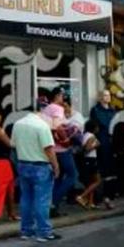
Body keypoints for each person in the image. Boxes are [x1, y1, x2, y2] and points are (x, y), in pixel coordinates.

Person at [11, 107, 61, 242]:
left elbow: (13, 144)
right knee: (42, 200)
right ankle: (44, 232)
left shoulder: (18, 124)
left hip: (23, 164)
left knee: (26, 198)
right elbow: (49, 149)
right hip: (40, 166)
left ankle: (26, 231)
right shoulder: (42, 126)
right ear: (41, 112)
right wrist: (56, 166)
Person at [44, 87, 79, 218]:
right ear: (57, 96)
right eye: (62, 95)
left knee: (58, 178)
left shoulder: (46, 109)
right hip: (62, 149)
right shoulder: (58, 109)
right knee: (72, 175)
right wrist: (66, 140)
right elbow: (58, 126)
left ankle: (53, 209)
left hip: (51, 148)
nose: (63, 98)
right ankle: (53, 203)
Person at [89, 89, 116, 209]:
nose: (108, 97)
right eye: (105, 95)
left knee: (111, 171)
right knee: (100, 171)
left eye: (109, 95)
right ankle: (97, 198)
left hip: (111, 143)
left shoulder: (113, 110)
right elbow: (95, 126)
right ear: (100, 97)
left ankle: (108, 197)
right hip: (101, 143)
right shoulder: (95, 110)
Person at [76, 120, 102, 209]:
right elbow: (87, 148)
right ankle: (82, 196)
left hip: (86, 160)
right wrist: (96, 145)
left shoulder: (84, 135)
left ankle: (91, 203)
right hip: (91, 159)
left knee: (91, 182)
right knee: (97, 181)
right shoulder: (91, 136)